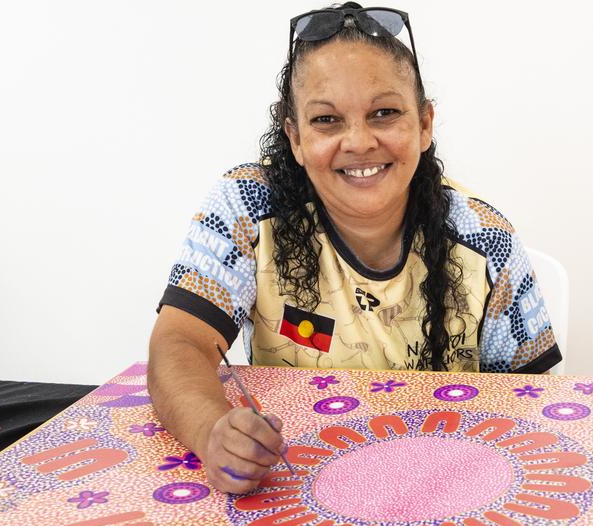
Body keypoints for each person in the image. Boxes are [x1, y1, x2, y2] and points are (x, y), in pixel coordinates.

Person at [148, 3, 562, 494]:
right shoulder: (245, 208)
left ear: (425, 125)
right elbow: (179, 343)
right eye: (327, 120)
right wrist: (213, 432)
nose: (359, 141)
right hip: (291, 485)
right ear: (295, 138)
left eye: (384, 113)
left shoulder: (485, 238)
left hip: (449, 489)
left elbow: (532, 408)